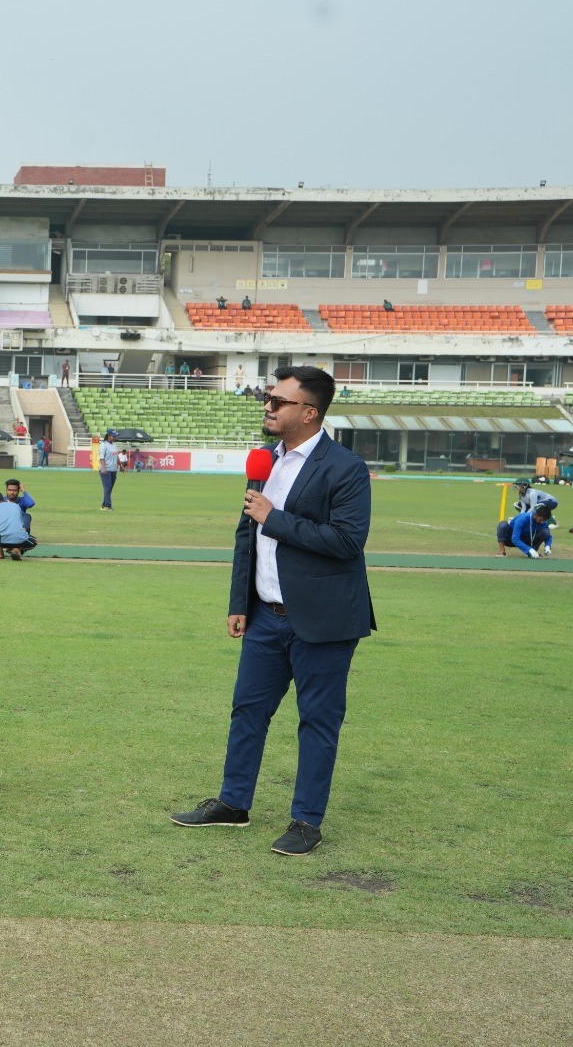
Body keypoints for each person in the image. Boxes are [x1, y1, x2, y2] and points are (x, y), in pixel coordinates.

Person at [171, 365, 374, 856]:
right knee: (247, 712)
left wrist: (275, 518)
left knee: (318, 722)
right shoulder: (264, 461)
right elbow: (247, 537)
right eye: (268, 397)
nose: (268, 405)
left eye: (278, 400)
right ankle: (234, 803)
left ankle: (306, 820)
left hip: (322, 622)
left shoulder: (344, 467)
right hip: (264, 616)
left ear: (308, 412)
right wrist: (239, 603)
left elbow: (347, 542)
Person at [0, 492, 36, 560]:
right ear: (3, 500)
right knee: (34, 541)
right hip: (18, 541)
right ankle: (16, 549)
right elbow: (23, 527)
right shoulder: (15, 506)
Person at [98, 429, 122, 510]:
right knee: (107, 487)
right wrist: (104, 468)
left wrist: (121, 465)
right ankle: (108, 506)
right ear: (109, 436)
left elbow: (116, 456)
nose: (115, 437)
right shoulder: (103, 445)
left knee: (109, 488)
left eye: (115, 436)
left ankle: (104, 505)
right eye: (113, 436)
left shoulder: (114, 445)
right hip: (106, 470)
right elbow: (102, 458)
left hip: (114, 470)